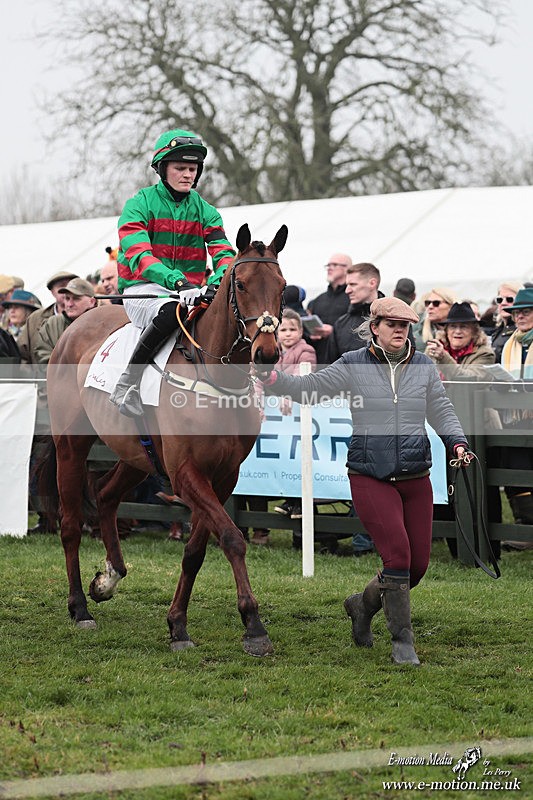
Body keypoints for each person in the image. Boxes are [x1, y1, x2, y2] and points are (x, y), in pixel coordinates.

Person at [261, 297, 471, 665]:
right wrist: (273, 378)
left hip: (416, 474)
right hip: (369, 475)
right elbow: (308, 388)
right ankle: (402, 640)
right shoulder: (352, 363)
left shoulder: (422, 365)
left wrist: (457, 442)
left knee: (416, 567)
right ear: (375, 327)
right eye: (392, 324)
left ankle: (362, 605)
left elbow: (442, 409)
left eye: (405, 326)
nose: (400, 331)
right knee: (399, 557)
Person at [109, 128, 236, 417]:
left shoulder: (206, 211)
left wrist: (215, 284)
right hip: (144, 290)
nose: (187, 174)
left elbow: (225, 254)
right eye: (180, 167)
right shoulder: (138, 204)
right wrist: (176, 281)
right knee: (170, 312)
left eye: (192, 168)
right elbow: (139, 255)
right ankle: (127, 384)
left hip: (189, 293)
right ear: (162, 168)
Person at [271, 309, 317, 524]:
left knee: (301, 456)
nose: (288, 334)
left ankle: (301, 501)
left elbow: (304, 374)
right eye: (283, 329)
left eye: (292, 329)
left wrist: (288, 393)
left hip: (300, 414)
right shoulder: (273, 351)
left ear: (300, 331)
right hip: (279, 417)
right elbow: (260, 375)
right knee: (284, 457)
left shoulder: (306, 350)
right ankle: (290, 499)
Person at [497, 287, 533, 548]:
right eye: (517, 312)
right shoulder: (511, 343)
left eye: (526, 312)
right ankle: (526, 526)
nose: (520, 316)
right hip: (515, 417)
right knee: (514, 465)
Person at [326, 262, 383, 363]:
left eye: (353, 284)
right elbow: (330, 369)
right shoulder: (340, 324)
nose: (347, 290)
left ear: (372, 283)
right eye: (347, 285)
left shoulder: (397, 319)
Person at [17, 271, 79, 364]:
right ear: (52, 292)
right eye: (62, 286)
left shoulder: (85, 315)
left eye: (71, 286)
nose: (67, 290)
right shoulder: (35, 318)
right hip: (40, 376)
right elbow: (23, 354)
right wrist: (31, 376)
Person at [424, 302, 496, 379]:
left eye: (463, 327)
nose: (458, 331)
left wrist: (443, 358)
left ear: (474, 331)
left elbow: (468, 380)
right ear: (446, 331)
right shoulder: (435, 350)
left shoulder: (485, 354)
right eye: (453, 326)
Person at [34, 278, 98, 364]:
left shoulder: (103, 324)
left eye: (76, 299)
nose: (69, 304)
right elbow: (42, 356)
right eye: (67, 298)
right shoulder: (51, 324)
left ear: (92, 302)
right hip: (57, 376)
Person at [306, 254, 351, 363]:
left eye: (335, 265)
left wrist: (333, 331)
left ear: (347, 269)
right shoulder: (317, 301)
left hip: (344, 362)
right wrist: (310, 334)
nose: (330, 268)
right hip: (319, 362)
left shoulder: (353, 299)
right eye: (328, 265)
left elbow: (357, 329)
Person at [412, 287, 456, 351]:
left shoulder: (462, 334)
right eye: (428, 303)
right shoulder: (415, 334)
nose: (430, 306)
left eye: (436, 303)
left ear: (451, 306)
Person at [491, 282, 522, 363]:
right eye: (499, 300)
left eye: (509, 299)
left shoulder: (523, 331)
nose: (503, 303)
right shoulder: (498, 330)